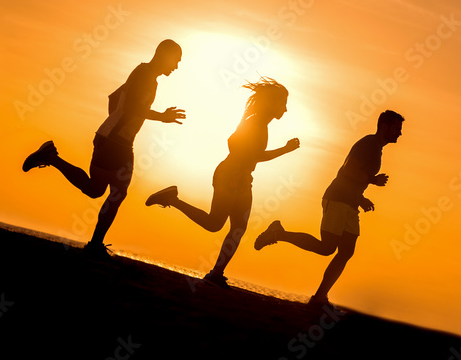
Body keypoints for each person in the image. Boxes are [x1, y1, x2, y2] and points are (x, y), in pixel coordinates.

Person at [21, 39, 186, 257]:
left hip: (116, 140)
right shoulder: (144, 73)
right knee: (113, 192)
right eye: (175, 61)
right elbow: (131, 106)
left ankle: (51, 157)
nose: (176, 67)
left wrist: (112, 125)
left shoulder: (148, 77)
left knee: (97, 190)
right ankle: (95, 244)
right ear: (164, 55)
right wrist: (160, 117)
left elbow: (114, 98)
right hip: (115, 142)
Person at [145, 77, 299, 288]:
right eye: (283, 103)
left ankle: (216, 273)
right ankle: (173, 199)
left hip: (242, 178)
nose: (286, 109)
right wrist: (285, 149)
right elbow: (247, 150)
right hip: (230, 175)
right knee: (214, 224)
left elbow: (239, 146)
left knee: (238, 227)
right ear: (272, 103)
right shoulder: (256, 121)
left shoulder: (258, 121)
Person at [254, 110, 404, 307]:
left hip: (350, 202)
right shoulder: (369, 144)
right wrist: (372, 180)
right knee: (326, 248)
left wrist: (360, 199)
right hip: (338, 199)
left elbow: (353, 178)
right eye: (396, 128)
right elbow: (347, 170)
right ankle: (278, 233)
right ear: (384, 126)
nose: (399, 133)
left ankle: (319, 297)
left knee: (346, 251)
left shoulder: (375, 147)